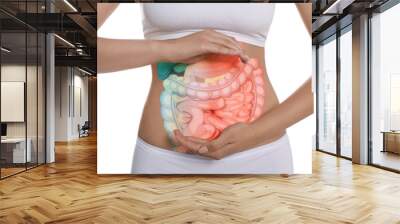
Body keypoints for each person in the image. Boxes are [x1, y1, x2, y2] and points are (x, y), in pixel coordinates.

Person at [98, 3, 313, 174]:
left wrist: (255, 133)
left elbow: (335, 58)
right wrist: (167, 49)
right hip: (162, 161)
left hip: (261, 154)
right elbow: (78, 44)